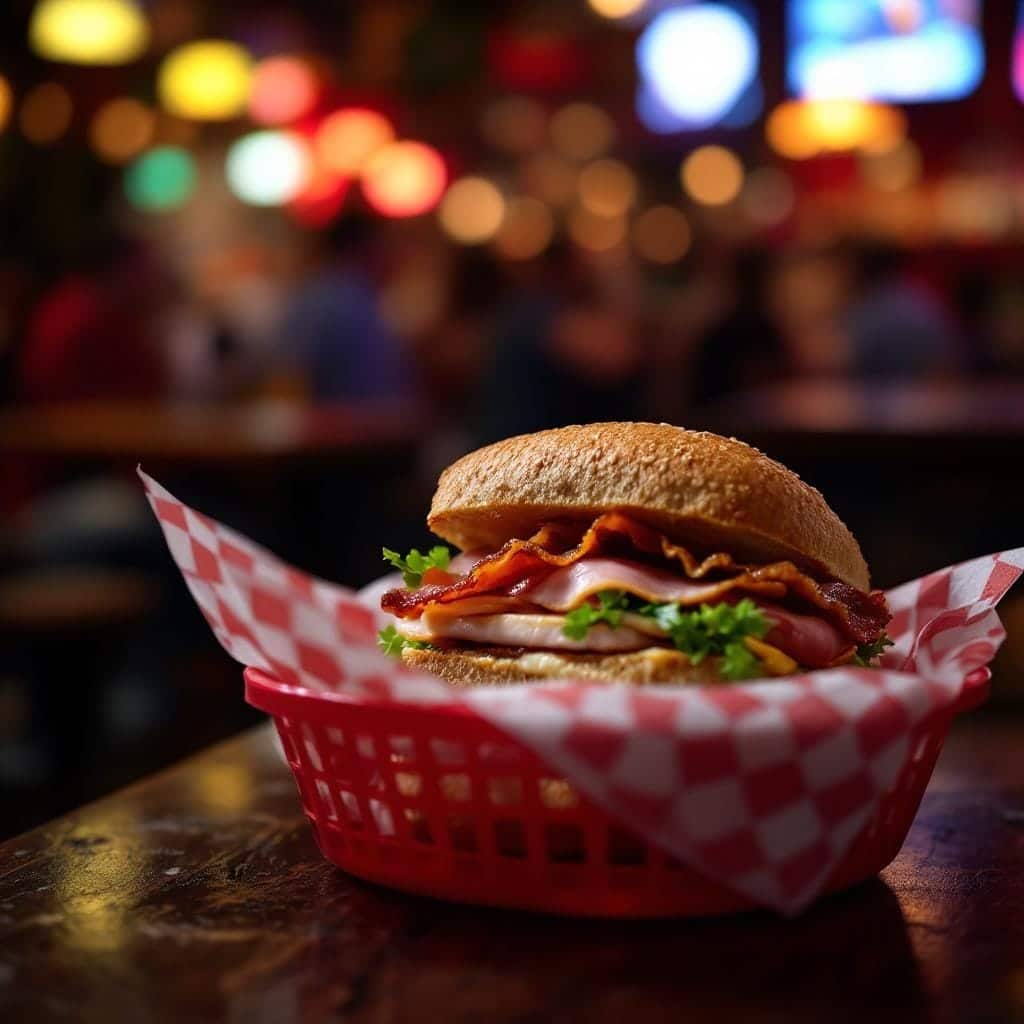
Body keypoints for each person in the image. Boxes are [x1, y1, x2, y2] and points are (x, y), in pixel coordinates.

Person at [279, 215, 413, 403]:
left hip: (361, 423)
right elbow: (292, 372)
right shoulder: (339, 300)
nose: (396, 257)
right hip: (350, 426)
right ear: (365, 249)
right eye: (388, 247)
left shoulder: (337, 294)